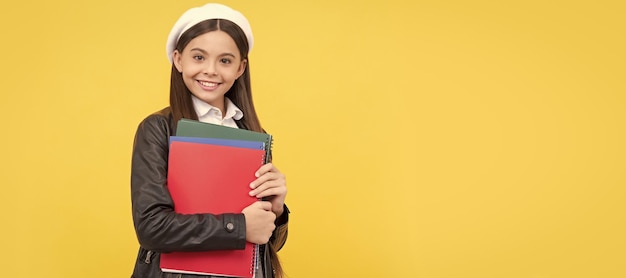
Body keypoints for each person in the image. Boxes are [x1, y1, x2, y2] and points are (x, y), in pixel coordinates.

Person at [130, 3, 289, 278]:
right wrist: (240, 226)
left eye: (225, 60)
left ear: (240, 68)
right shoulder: (158, 129)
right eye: (199, 57)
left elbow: (265, 245)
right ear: (178, 60)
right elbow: (151, 228)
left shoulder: (250, 132)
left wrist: (276, 210)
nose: (211, 70)